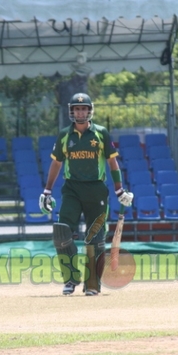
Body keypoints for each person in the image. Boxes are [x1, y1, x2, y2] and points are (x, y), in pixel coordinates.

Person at [39, 93, 133, 296]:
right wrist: (47, 191)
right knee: (61, 233)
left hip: (96, 189)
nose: (80, 112)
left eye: (84, 109)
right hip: (72, 189)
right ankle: (70, 278)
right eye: (77, 109)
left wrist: (119, 189)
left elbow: (112, 162)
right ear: (71, 111)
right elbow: (56, 163)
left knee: (95, 239)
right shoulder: (65, 135)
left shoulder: (101, 133)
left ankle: (92, 284)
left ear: (89, 111)